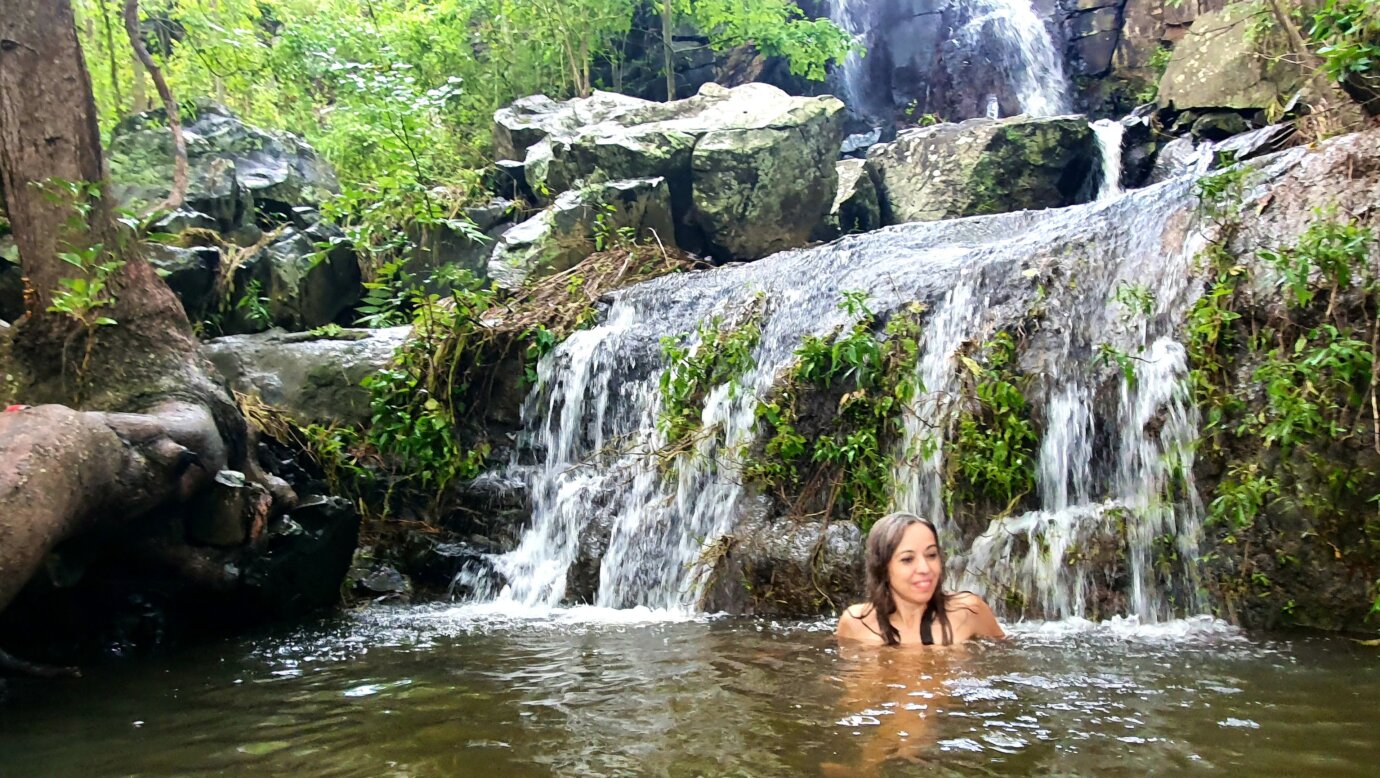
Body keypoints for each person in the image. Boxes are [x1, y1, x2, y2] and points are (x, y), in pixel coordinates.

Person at [835, 512, 1005, 646]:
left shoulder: (969, 611)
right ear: (883, 567)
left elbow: (1005, 663)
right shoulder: (856, 623)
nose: (925, 569)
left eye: (931, 555)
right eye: (908, 559)